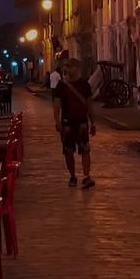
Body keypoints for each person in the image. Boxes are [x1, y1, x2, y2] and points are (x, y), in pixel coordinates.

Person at [53, 58, 95, 189]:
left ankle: (86, 176)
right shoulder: (61, 86)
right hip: (67, 122)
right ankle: (72, 175)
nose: (67, 69)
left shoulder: (85, 85)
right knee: (68, 152)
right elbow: (57, 105)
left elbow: (89, 104)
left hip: (82, 121)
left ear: (77, 68)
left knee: (85, 150)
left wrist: (93, 122)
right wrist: (57, 120)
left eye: (70, 66)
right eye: (66, 66)